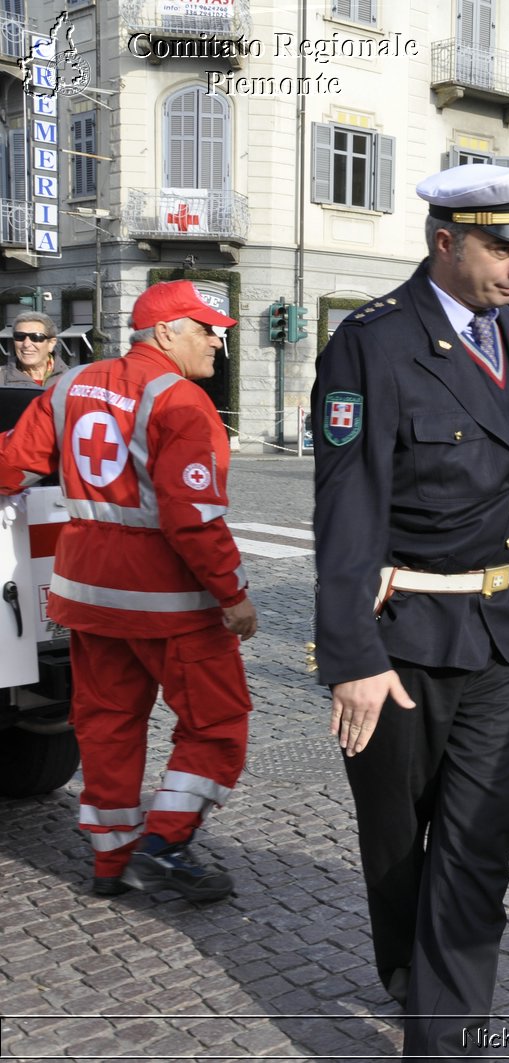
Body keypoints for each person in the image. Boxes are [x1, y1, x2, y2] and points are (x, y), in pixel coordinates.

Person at [311, 159, 509, 1057]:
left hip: (501, 637)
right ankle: (411, 970)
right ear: (444, 241)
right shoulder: (369, 344)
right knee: (398, 847)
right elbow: (347, 506)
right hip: (402, 641)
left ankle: (446, 1037)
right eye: (502, 248)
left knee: (478, 845)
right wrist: (353, 659)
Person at [0, 280, 257, 902]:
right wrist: (233, 595)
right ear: (166, 333)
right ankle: (166, 845)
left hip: (86, 590)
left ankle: (110, 861)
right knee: (218, 723)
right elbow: (192, 517)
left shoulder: (66, 386)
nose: (217, 344)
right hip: (169, 600)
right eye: (206, 330)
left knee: (107, 724)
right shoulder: (183, 403)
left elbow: (12, 463)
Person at [3, 310, 66, 388]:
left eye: (36, 337)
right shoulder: (2, 379)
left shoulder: (73, 379)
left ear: (51, 343)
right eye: (20, 336)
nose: (26, 344)